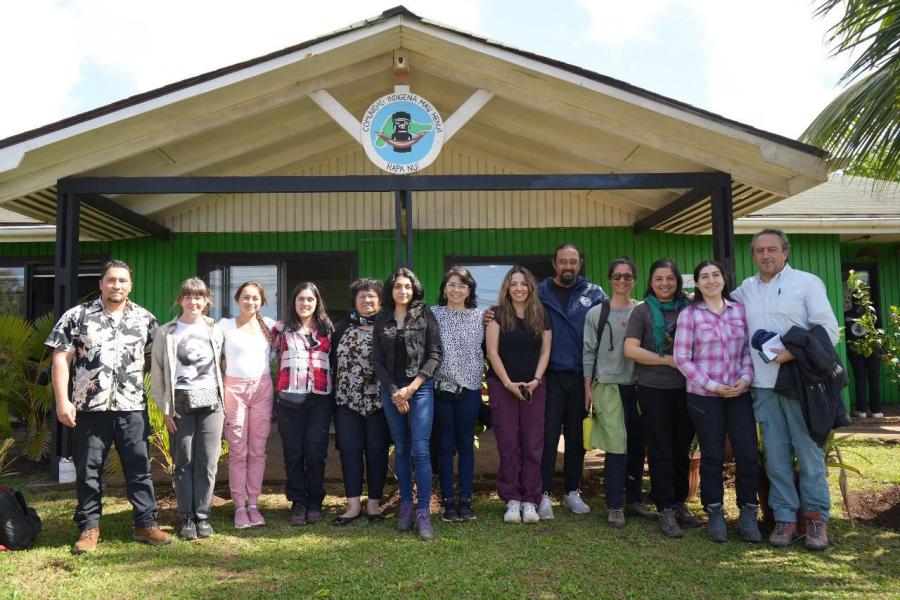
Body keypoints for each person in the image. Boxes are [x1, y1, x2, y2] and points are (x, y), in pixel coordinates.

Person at [46, 259, 172, 554]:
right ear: (101, 283)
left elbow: (158, 363)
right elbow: (60, 360)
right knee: (89, 471)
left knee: (139, 470)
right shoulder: (77, 316)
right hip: (90, 409)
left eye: (123, 281)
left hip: (132, 408)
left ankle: (145, 523)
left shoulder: (145, 320)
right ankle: (89, 528)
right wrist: (63, 400)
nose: (117, 285)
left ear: (131, 286)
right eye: (112, 280)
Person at [732, 229, 840, 551]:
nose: (766, 255)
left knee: (808, 454)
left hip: (801, 385)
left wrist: (791, 354)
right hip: (763, 387)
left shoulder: (806, 283)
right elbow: (717, 306)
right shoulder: (745, 291)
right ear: (753, 255)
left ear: (785, 252)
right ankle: (784, 518)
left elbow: (829, 332)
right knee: (776, 457)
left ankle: (816, 518)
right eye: (760, 250)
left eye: (772, 249)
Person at [673, 261, 761, 543]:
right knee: (711, 456)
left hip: (738, 394)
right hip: (704, 396)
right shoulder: (690, 315)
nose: (711, 281)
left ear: (724, 279)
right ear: (697, 284)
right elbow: (682, 359)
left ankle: (748, 514)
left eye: (716, 275)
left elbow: (748, 352)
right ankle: (715, 514)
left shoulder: (740, 311)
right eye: (704, 277)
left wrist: (745, 379)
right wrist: (712, 385)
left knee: (747, 453)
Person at [623, 257, 700, 538]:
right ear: (651, 283)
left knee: (682, 448)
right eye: (658, 279)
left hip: (688, 388)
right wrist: (667, 360)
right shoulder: (642, 311)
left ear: (677, 280)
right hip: (653, 389)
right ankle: (665, 507)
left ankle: (680, 503)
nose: (664, 284)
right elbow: (630, 349)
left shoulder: (690, 308)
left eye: (669, 278)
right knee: (660, 449)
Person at [536, 243, 608, 518]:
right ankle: (543, 493)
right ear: (554, 264)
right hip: (549, 376)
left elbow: (609, 328)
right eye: (563, 261)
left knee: (577, 439)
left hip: (582, 378)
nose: (568, 266)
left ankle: (571, 492)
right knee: (548, 437)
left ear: (580, 264)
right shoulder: (540, 293)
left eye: (573, 261)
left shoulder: (594, 293)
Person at [151, 278, 226, 540]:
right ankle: (186, 518)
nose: (193, 302)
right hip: (180, 402)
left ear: (206, 301)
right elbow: (157, 372)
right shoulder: (166, 331)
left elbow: (224, 366)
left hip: (212, 403)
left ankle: (202, 517)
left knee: (208, 461)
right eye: (188, 296)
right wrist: (165, 408)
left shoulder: (215, 329)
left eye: (199, 297)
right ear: (180, 300)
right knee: (184, 461)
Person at [582, 257, 655, 528]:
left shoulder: (643, 310)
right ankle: (614, 505)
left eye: (628, 277)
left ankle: (634, 500)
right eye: (617, 277)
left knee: (637, 445)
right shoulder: (596, 314)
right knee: (615, 446)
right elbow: (588, 352)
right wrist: (587, 388)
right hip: (608, 386)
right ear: (610, 280)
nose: (622, 281)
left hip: (639, 386)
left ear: (634, 280)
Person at [373, 268, 443, 540]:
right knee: (401, 448)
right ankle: (405, 507)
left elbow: (436, 354)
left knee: (421, 450)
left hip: (421, 388)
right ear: (390, 290)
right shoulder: (382, 318)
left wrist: (411, 389)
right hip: (392, 391)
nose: (403, 291)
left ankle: (423, 511)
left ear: (414, 289)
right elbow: (377, 360)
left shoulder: (426, 315)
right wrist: (395, 392)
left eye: (407, 286)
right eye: (398, 286)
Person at [486, 266, 552, 524]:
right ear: (507, 287)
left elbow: (546, 351)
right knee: (508, 443)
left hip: (534, 387)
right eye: (514, 284)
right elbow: (493, 352)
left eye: (523, 283)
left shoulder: (541, 314)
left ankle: (531, 499)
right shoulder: (498, 315)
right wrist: (508, 384)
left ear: (530, 286)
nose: (519, 288)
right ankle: (512, 498)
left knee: (533, 443)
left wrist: (535, 380)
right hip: (503, 387)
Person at [272, 282, 334, 526]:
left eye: (310, 299)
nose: (305, 303)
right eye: (301, 299)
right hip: (289, 398)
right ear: (294, 302)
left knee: (316, 451)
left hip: (320, 397)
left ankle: (316, 500)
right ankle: (298, 501)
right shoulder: (280, 329)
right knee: (294, 451)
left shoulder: (327, 329)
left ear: (317, 302)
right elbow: (264, 356)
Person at [330, 278, 390, 526]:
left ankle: (374, 503)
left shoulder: (388, 326)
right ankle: (353, 505)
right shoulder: (341, 327)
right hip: (347, 401)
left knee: (377, 452)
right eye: (362, 296)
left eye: (372, 296)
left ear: (380, 300)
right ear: (354, 301)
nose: (367, 300)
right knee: (350, 451)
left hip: (380, 402)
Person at [219, 281, 275, 529]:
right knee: (238, 449)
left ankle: (254, 503)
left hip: (262, 388)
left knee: (258, 450)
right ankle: (239, 506)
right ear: (237, 299)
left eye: (255, 298)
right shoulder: (224, 326)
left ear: (262, 301)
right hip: (235, 389)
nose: (250, 302)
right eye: (245, 297)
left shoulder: (271, 326)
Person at [432, 266, 485, 523]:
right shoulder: (433, 315)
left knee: (465, 445)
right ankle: (447, 502)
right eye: (451, 284)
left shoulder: (480, 317)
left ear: (469, 291)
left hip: (470, 390)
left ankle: (466, 500)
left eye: (462, 285)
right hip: (442, 390)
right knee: (444, 445)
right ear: (444, 289)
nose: (456, 289)